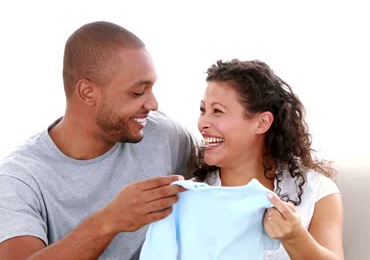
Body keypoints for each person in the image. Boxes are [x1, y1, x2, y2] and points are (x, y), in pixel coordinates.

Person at [0, 21, 194, 260]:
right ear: (87, 92)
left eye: (151, 89)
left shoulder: (165, 136)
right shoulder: (19, 180)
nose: (153, 104)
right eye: (137, 92)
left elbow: (232, 172)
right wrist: (108, 221)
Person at [193, 59, 344, 259]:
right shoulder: (191, 197)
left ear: (262, 123)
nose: (202, 123)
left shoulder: (316, 192)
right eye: (203, 110)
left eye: (217, 111)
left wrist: (294, 237)